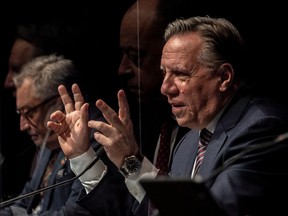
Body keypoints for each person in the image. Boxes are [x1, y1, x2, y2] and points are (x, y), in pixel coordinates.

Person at [47, 15, 288, 216]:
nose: (165, 88)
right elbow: (150, 211)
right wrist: (86, 156)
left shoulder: (261, 128)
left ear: (224, 77)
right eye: (164, 74)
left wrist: (130, 158)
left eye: (181, 74)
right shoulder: (190, 141)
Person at [0, 54, 95, 215]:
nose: (22, 126)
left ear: (58, 103)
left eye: (29, 112)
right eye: (20, 113)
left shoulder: (93, 139)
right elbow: (24, 203)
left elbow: (78, 212)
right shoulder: (49, 140)